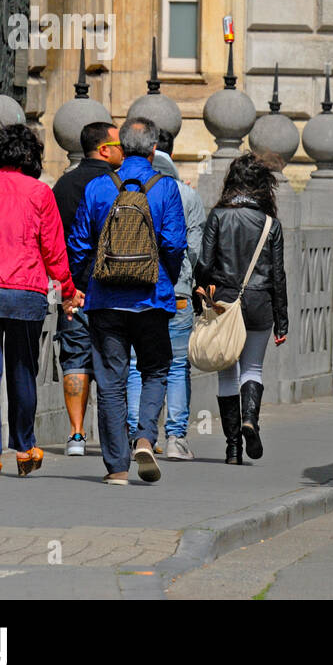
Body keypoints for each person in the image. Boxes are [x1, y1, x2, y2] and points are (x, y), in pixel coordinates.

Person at [0, 124, 81, 479]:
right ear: (30, 157)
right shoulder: (40, 193)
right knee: (23, 370)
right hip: (25, 294)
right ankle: (24, 447)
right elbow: (54, 250)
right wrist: (67, 291)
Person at [67, 117, 187, 486]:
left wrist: (89, 281)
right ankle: (146, 438)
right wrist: (160, 275)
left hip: (105, 301)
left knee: (110, 381)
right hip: (153, 299)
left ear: (121, 149)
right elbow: (175, 244)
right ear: (154, 149)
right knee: (155, 370)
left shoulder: (100, 186)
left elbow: (79, 244)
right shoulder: (166, 188)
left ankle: (117, 468)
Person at [194, 154, 288, 466]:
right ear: (262, 186)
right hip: (259, 303)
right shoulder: (270, 224)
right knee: (253, 370)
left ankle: (232, 447)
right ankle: (251, 420)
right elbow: (278, 275)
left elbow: (205, 264)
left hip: (223, 302)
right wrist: (282, 322)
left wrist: (204, 294)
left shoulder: (218, 215)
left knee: (226, 373)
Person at [125, 128, 205, 461]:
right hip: (175, 288)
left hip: (129, 289)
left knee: (133, 365)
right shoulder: (185, 194)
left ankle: (136, 434)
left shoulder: (122, 186)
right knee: (174, 366)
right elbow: (194, 249)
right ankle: (176, 438)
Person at [51, 121, 122, 456]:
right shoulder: (119, 183)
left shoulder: (63, 185)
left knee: (74, 359)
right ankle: (118, 434)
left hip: (73, 289)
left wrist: (65, 287)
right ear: (104, 148)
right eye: (119, 143)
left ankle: (76, 436)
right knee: (115, 359)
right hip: (118, 289)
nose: (124, 149)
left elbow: (52, 242)